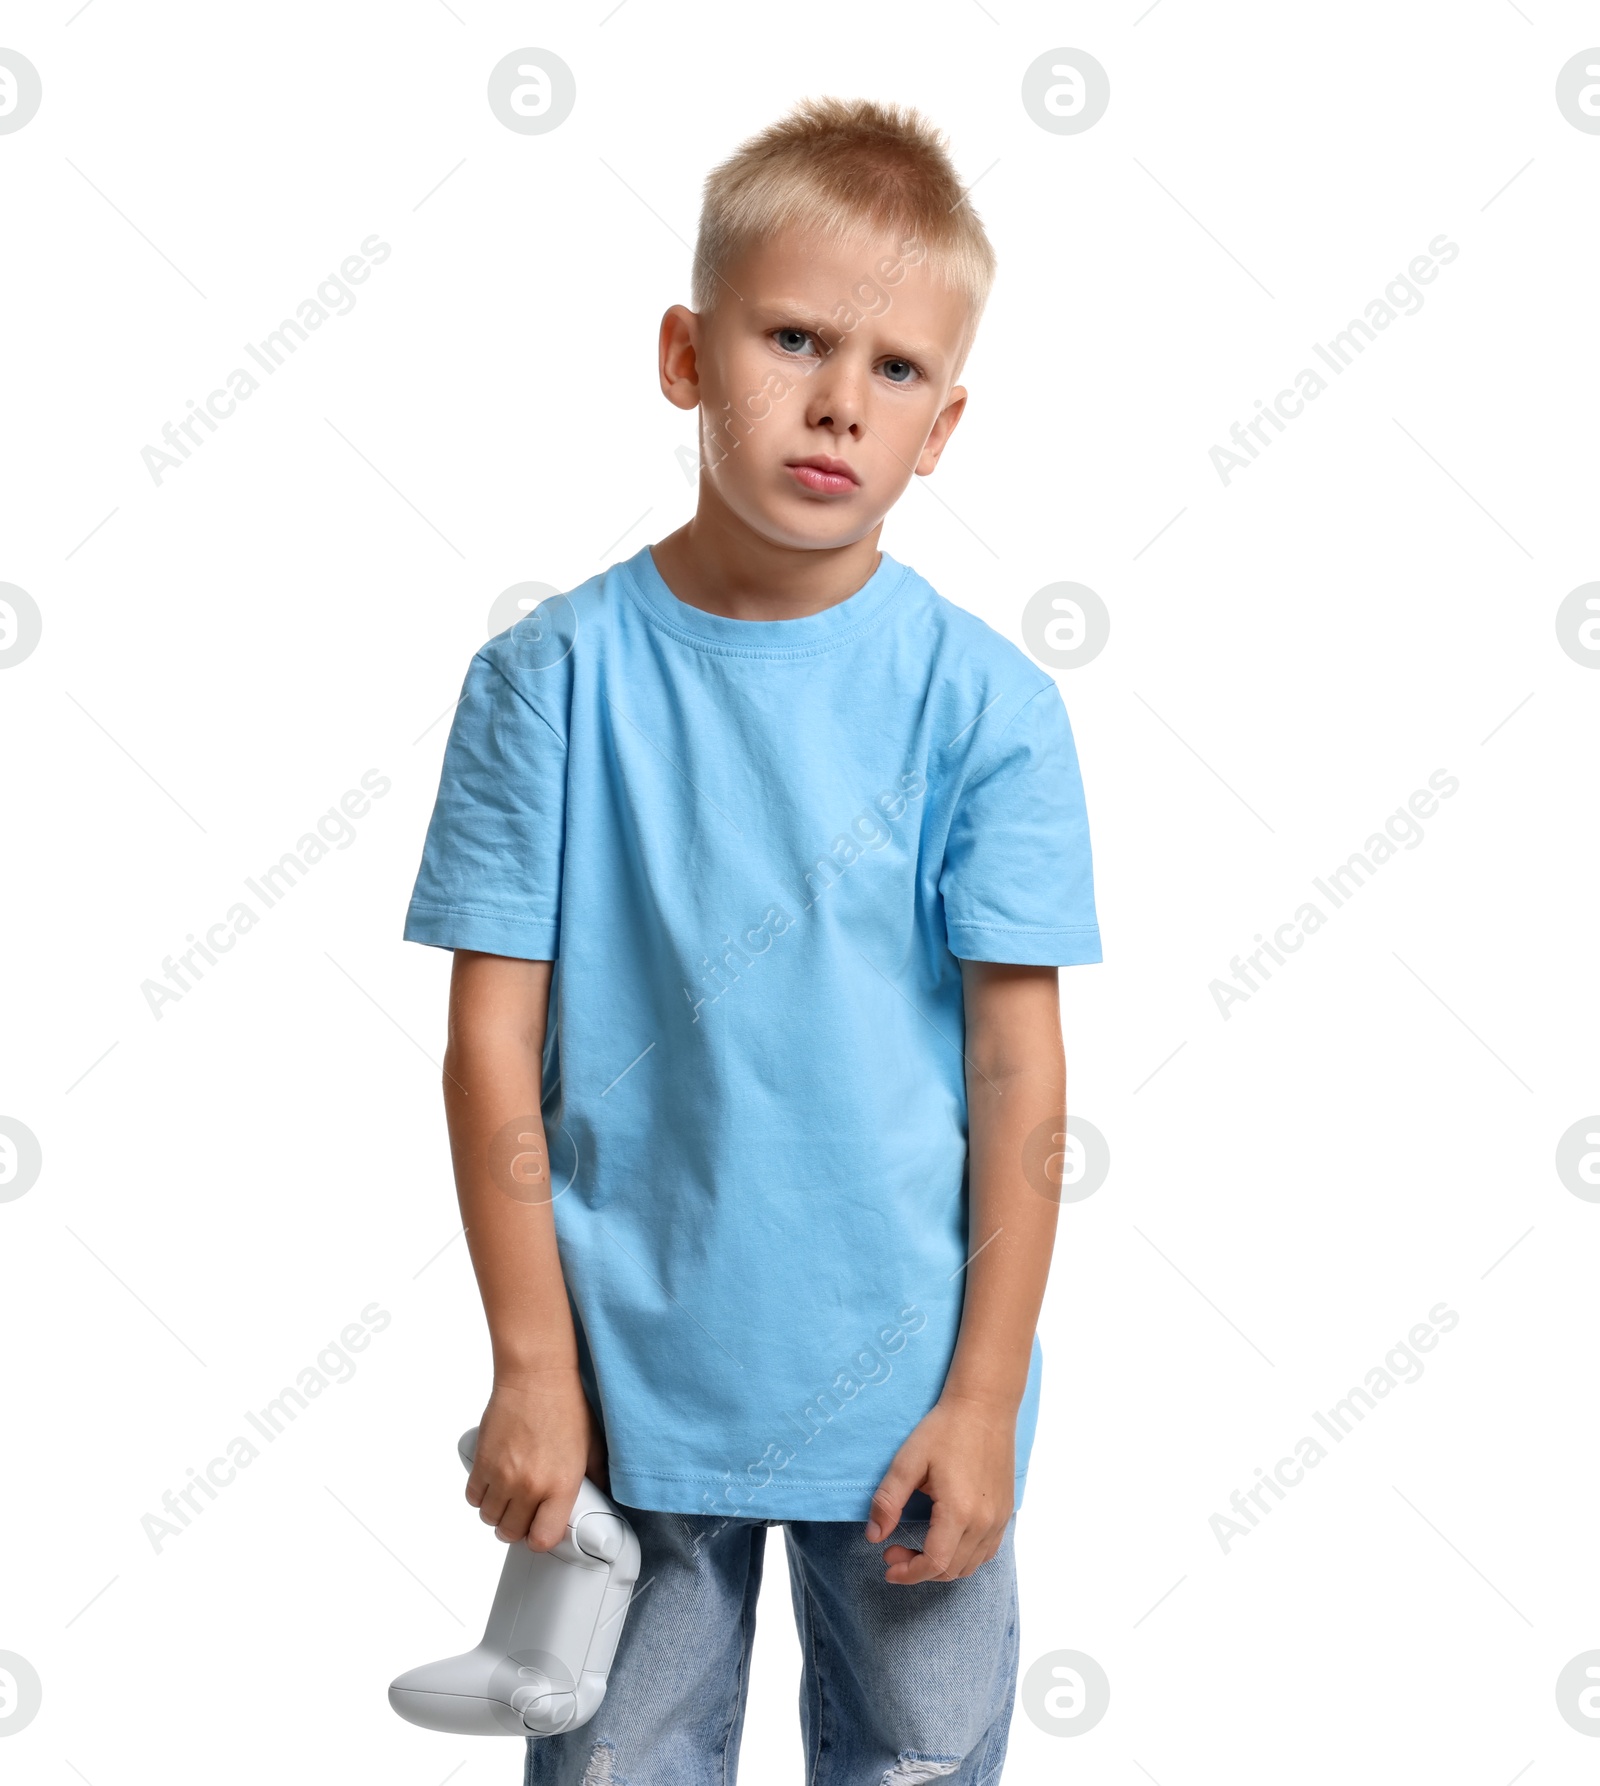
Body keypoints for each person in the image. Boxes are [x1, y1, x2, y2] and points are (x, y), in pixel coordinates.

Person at [403, 93, 1102, 1785]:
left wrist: (986, 1393)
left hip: (910, 1409)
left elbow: (1021, 1069)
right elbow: (489, 1042)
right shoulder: (549, 684)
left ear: (941, 427)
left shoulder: (988, 709)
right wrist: (532, 1371)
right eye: (794, 336)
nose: (838, 402)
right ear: (685, 353)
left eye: (896, 369)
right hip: (631, 1408)